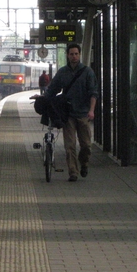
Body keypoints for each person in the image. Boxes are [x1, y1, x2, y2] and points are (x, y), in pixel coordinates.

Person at [43, 44, 99, 182]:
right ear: (67, 55)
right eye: (71, 54)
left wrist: (91, 110)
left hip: (84, 114)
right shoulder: (62, 72)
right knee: (70, 145)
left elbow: (93, 93)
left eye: (76, 54)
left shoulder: (87, 72)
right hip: (68, 114)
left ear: (79, 55)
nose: (74, 56)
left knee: (86, 145)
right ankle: (73, 172)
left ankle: (84, 163)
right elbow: (52, 90)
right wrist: (42, 98)